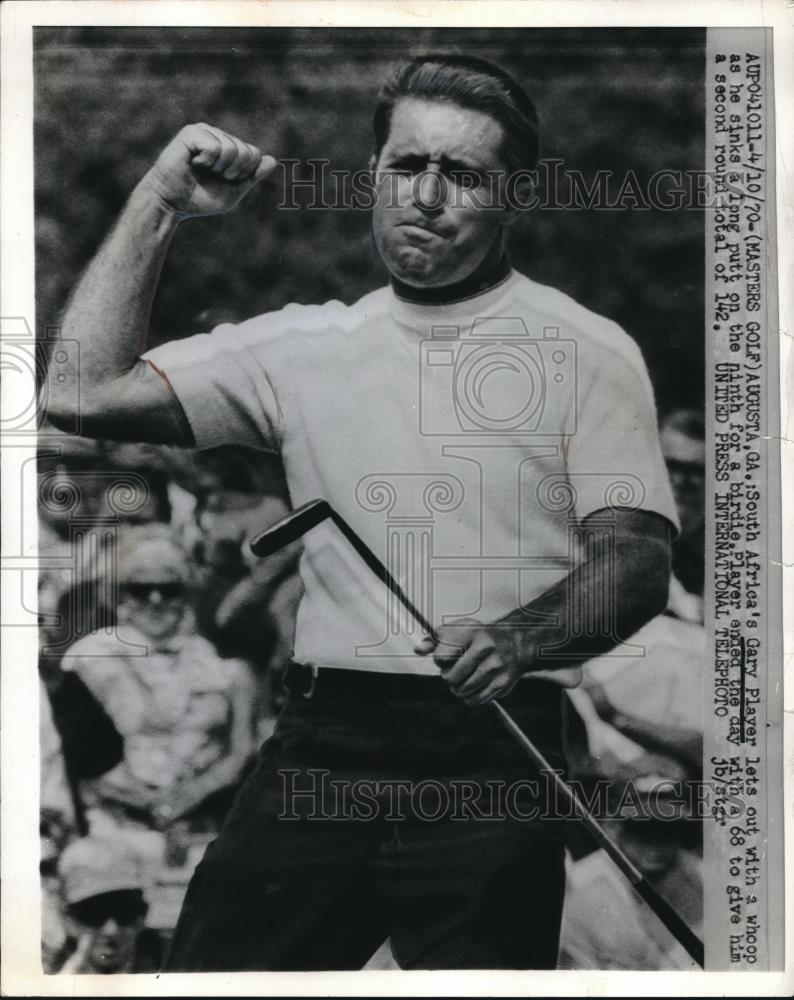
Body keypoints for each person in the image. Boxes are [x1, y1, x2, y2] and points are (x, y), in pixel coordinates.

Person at [46, 55, 679, 970]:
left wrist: (519, 639)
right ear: (373, 174)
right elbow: (80, 393)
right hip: (324, 741)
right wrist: (161, 201)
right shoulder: (303, 345)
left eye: (463, 175)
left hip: (494, 748)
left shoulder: (587, 349)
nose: (426, 196)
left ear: (516, 198)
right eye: (404, 166)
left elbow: (636, 563)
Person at [53, 835, 163, 973]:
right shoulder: (41, 972)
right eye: (94, 914)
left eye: (124, 912)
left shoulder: (174, 967)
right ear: (67, 919)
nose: (111, 930)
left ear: (143, 914)